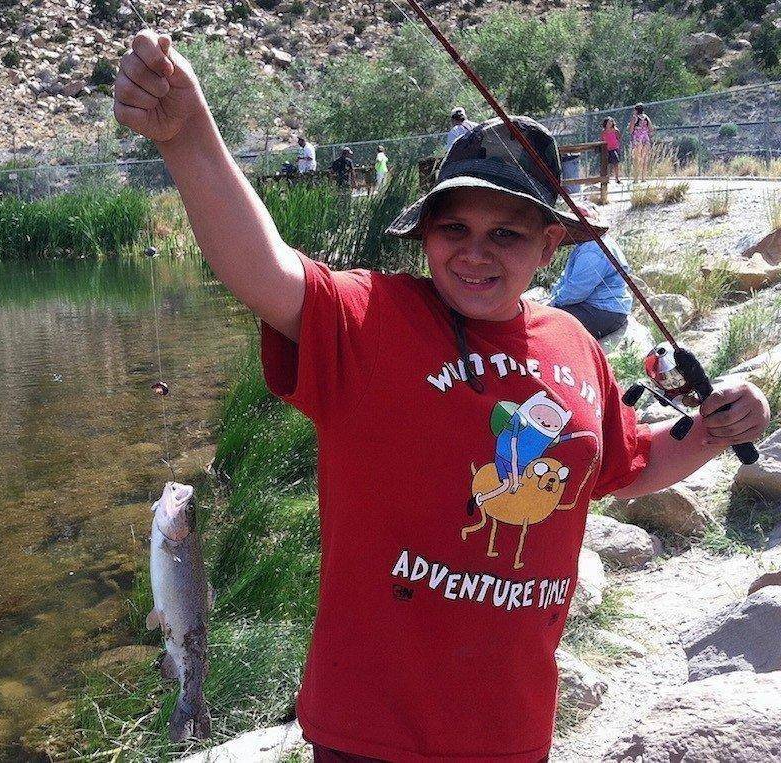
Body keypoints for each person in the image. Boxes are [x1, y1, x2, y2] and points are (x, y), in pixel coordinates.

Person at [114, 31, 771, 763]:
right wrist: (188, 137)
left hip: (511, 729)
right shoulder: (370, 317)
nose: (475, 250)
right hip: (370, 726)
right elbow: (261, 266)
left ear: (549, 243)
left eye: (507, 232)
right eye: (452, 227)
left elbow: (628, 464)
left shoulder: (575, 344)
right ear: (425, 233)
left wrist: (713, 430)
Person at [549, 203, 632, 339]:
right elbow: (566, 278)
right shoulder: (587, 244)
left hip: (606, 311)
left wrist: (554, 302)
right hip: (599, 307)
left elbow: (577, 290)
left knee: (552, 324)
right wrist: (554, 296)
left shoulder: (592, 249)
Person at [628, 103, 654, 182]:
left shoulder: (634, 117)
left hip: (637, 139)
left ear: (636, 110)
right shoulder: (646, 117)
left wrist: (632, 128)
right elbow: (651, 128)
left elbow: (630, 130)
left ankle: (636, 179)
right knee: (644, 158)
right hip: (645, 138)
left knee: (636, 158)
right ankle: (643, 178)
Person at [601, 117, 622, 184]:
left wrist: (618, 146)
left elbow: (619, 138)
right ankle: (607, 179)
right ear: (606, 123)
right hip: (606, 149)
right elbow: (602, 140)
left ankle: (617, 178)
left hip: (614, 148)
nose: (610, 123)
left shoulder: (615, 130)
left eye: (611, 122)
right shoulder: (603, 131)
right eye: (609, 122)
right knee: (607, 164)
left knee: (616, 163)